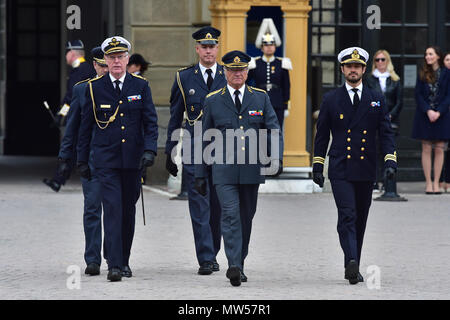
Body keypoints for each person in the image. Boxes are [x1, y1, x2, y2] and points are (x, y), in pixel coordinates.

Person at [195, 50, 283, 286]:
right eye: (232, 70)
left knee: (246, 217)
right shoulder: (213, 100)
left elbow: (273, 129)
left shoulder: (260, 98)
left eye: (241, 70)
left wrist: (276, 157)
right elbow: (204, 138)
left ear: (247, 72)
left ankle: (240, 262)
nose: (237, 74)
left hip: (251, 169)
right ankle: (233, 265)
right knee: (230, 215)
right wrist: (200, 173)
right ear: (224, 72)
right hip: (223, 170)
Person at [312, 47, 397, 285]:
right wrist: (318, 165)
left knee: (360, 218)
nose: (353, 70)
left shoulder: (376, 98)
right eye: (349, 66)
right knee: (347, 215)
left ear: (363, 70)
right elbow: (322, 135)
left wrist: (390, 160)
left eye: (357, 66)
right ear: (342, 69)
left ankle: (354, 264)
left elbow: (386, 133)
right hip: (340, 166)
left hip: (366, 166)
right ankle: (351, 260)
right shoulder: (331, 99)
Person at [77, 36, 158, 282]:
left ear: (126, 59)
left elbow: (150, 122)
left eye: (120, 57)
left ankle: (124, 259)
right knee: (112, 209)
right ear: (106, 60)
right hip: (106, 160)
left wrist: (150, 150)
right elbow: (85, 127)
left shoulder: (140, 86)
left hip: (132, 160)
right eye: (111, 57)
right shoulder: (94, 88)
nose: (115, 61)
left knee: (127, 211)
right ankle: (113, 263)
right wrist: (82, 159)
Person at [165, 26, 226, 275]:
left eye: (212, 46)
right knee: (199, 206)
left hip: (224, 150)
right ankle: (206, 257)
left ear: (217, 49)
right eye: (204, 47)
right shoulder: (184, 78)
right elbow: (175, 116)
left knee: (219, 207)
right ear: (197, 49)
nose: (209, 51)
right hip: (193, 150)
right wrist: (169, 150)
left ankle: (213, 249)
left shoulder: (229, 74)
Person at [57, 46, 108, 276]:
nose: (106, 69)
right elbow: (73, 125)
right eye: (102, 65)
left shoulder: (128, 87)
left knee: (118, 212)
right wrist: (66, 154)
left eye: (109, 65)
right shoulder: (83, 88)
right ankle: (93, 258)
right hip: (92, 159)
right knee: (92, 209)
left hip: (118, 161)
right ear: (95, 66)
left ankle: (117, 259)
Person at [43, 40, 96, 192]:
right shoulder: (85, 69)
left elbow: (70, 99)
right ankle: (58, 179)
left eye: (67, 52)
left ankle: (59, 179)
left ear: (72, 53)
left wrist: (61, 116)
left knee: (72, 147)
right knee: (73, 149)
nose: (66, 56)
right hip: (84, 116)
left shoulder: (79, 71)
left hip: (80, 117)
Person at [365, 49, 403, 198]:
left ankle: (387, 180)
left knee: (388, 150)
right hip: (373, 120)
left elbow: (399, 101)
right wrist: (378, 114)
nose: (380, 62)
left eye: (383, 59)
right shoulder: (369, 79)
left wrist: (390, 115)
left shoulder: (395, 79)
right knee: (372, 150)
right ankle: (374, 181)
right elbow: (367, 99)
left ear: (388, 61)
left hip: (390, 120)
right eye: (377, 60)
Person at [412, 46, 450, 194]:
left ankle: (436, 182)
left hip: (442, 115)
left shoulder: (447, 73)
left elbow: (448, 95)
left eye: (430, 54)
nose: (427, 56)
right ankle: (428, 182)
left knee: (440, 148)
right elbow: (418, 94)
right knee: (426, 148)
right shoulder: (422, 72)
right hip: (424, 114)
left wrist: (439, 112)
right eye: (426, 54)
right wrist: (428, 110)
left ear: (438, 56)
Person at [248, 27, 291, 129]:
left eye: (271, 44)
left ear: (275, 47)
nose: (269, 47)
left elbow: (286, 86)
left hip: (277, 104)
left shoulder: (282, 63)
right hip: (258, 103)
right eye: (266, 45)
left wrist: (286, 106)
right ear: (261, 47)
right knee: (259, 130)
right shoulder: (255, 63)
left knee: (275, 131)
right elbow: (246, 82)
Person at [439, 52, 450, 193]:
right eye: (447, 60)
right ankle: (441, 179)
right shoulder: (442, 76)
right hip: (443, 115)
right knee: (441, 149)